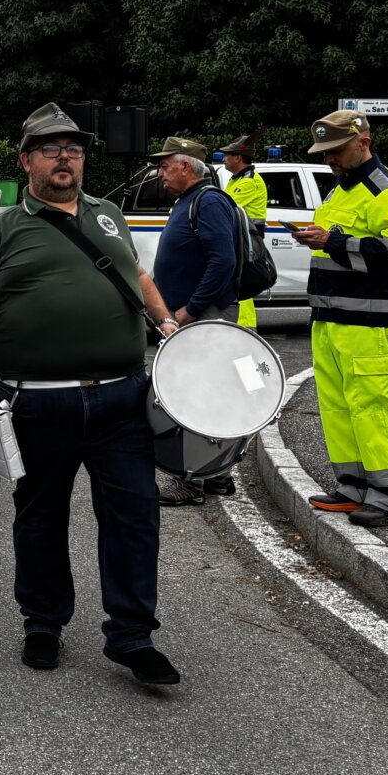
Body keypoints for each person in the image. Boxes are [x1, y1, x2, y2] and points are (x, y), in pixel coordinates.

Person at [0, 102, 182, 686]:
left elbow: (138, 278)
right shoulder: (0, 228)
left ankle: (131, 635)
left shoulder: (108, 216)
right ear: (27, 160)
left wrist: (170, 329)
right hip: (37, 402)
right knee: (41, 516)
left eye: (73, 149)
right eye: (51, 149)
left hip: (122, 399)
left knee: (133, 515)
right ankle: (43, 622)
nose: (64, 158)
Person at [295, 110, 388, 529]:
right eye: (324, 152)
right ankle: (352, 486)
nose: (329, 159)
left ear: (362, 142)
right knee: (337, 406)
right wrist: (322, 239)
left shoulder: (384, 189)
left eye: (336, 150)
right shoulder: (341, 189)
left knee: (372, 407)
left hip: (364, 324)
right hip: (329, 318)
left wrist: (332, 240)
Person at [148, 137, 243, 505]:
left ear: (186, 166)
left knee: (199, 397)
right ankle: (216, 475)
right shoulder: (191, 201)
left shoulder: (209, 201)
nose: (160, 174)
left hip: (204, 316)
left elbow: (223, 262)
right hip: (197, 314)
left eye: (165, 166)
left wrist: (189, 309)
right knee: (210, 394)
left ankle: (193, 482)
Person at [218, 138, 269, 328]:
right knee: (237, 284)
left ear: (238, 158)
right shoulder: (237, 179)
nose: (223, 159)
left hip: (247, 242)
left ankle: (245, 329)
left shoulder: (249, 182)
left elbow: (225, 205)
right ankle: (241, 328)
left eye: (227, 155)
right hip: (240, 239)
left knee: (241, 285)